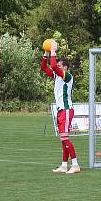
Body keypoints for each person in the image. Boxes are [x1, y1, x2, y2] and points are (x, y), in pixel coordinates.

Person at [40, 42, 80, 174]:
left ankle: (75, 165)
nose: (56, 67)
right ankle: (64, 165)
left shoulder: (67, 76)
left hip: (66, 109)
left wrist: (53, 51)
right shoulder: (57, 76)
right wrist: (46, 54)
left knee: (65, 138)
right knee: (63, 138)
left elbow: (52, 65)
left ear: (65, 67)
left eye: (59, 66)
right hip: (60, 110)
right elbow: (43, 67)